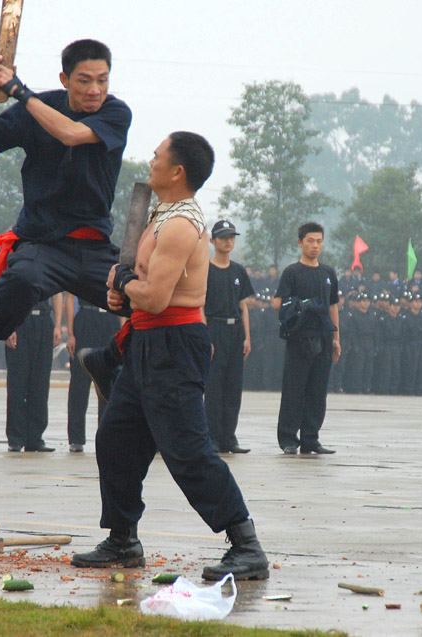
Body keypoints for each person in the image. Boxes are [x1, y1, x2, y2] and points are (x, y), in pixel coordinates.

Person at [71, 132, 269, 582]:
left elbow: (157, 297)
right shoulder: (160, 214)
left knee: (188, 451)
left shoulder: (181, 225)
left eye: (159, 155)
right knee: (116, 440)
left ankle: (246, 545)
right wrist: (121, 287)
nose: (152, 159)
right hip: (145, 343)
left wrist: (123, 283)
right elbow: (138, 290)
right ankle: (123, 540)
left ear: (177, 171)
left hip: (174, 346)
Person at [0, 38, 132, 404]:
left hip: (94, 248)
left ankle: (110, 361)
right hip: (43, 244)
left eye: (103, 79)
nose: (95, 89)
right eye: (85, 80)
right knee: (19, 279)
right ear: (65, 79)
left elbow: (70, 134)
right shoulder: (37, 107)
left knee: (152, 303)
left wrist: (20, 91)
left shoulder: (115, 113)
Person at [273, 221, 340, 454]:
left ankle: (311, 438)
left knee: (317, 391)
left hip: (323, 338)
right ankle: (289, 438)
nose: (315, 245)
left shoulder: (328, 273)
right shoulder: (292, 272)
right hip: (299, 339)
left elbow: (333, 306)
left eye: (319, 241)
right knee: (294, 389)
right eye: (310, 241)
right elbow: (277, 302)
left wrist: (336, 338)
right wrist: (302, 305)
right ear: (300, 242)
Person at [203, 219, 254, 454]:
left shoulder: (238, 271)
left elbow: (243, 306)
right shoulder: (205, 270)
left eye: (232, 237)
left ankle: (229, 438)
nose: (228, 241)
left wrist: (247, 337)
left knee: (233, 387)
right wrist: (205, 337)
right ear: (213, 241)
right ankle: (212, 437)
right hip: (214, 329)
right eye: (223, 237)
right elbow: (199, 307)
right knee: (213, 387)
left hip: (236, 333)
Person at [5, 294, 63, 452]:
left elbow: (57, 294)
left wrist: (57, 325)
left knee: (41, 383)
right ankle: (16, 437)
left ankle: (35, 438)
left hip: (44, 322)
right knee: (17, 382)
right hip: (19, 322)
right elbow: (5, 294)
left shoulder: (51, 268)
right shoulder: (12, 267)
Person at [65, 292, 122, 452]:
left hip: (111, 319)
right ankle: (76, 438)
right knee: (79, 382)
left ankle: (107, 435)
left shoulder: (117, 267)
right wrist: (70, 333)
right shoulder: (80, 266)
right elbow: (70, 297)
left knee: (110, 381)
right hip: (86, 318)